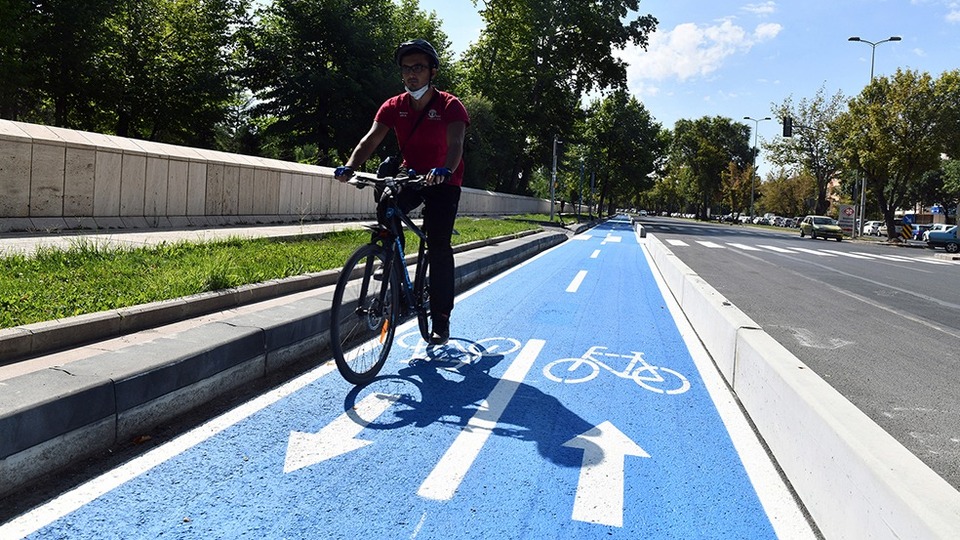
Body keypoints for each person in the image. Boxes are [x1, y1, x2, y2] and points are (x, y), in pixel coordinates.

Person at [334, 39, 469, 346]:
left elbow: (457, 145)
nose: (411, 74)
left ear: (432, 71)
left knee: (438, 246)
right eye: (406, 69)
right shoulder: (394, 106)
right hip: (411, 176)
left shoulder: (450, 105)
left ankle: (441, 319)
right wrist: (351, 166)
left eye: (418, 67)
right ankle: (391, 258)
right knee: (387, 206)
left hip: (444, 181)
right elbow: (370, 139)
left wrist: (445, 169)